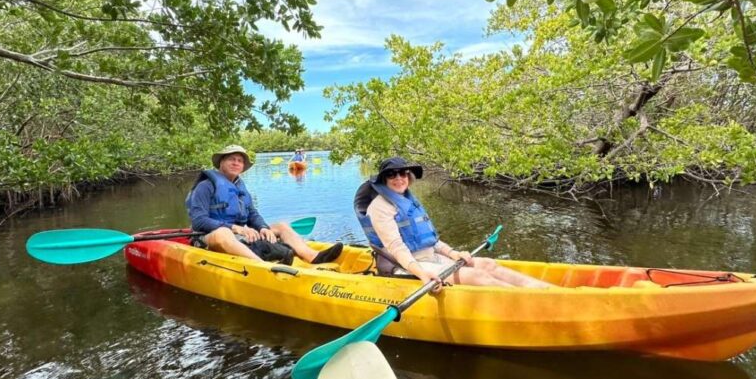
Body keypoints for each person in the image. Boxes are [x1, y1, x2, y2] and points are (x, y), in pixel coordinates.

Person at [354, 157, 553, 288]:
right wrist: (422, 274)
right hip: (407, 265)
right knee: (478, 278)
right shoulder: (379, 207)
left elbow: (432, 241)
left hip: (430, 258)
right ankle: (536, 303)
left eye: (403, 173)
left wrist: (454, 253)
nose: (399, 178)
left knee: (488, 264)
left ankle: (547, 291)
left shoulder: (409, 200)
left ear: (409, 176)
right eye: (391, 174)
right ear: (383, 179)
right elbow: (397, 248)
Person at [186, 144, 342, 265]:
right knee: (223, 233)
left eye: (240, 161)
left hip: (238, 235)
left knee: (280, 226)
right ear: (221, 162)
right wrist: (234, 228)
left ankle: (313, 257)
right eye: (231, 159)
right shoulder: (205, 186)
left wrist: (263, 228)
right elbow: (199, 221)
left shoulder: (240, 187)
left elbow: (252, 214)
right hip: (209, 236)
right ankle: (261, 266)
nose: (236, 163)